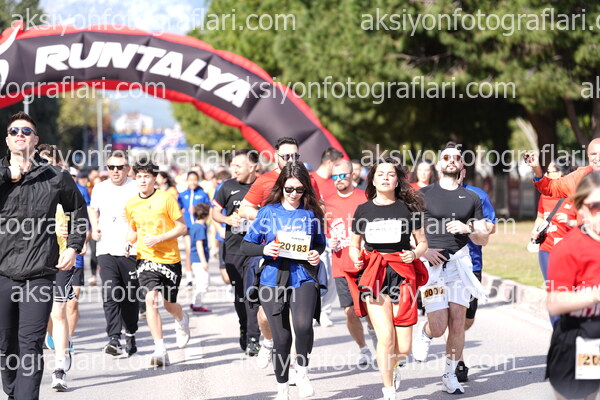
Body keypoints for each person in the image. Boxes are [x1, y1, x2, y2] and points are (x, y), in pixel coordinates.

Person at [0, 112, 88, 400]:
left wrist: (73, 246)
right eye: (14, 131)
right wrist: (6, 176)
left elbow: (78, 211)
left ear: (35, 140)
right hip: (2, 273)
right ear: (7, 140)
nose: (20, 134)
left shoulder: (55, 176)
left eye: (26, 131)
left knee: (31, 344)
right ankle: (13, 393)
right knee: (6, 345)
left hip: (39, 273)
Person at [242, 161, 326, 400]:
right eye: (289, 189)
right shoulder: (268, 212)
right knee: (282, 337)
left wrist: (316, 253)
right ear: (281, 187)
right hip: (272, 278)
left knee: (303, 326)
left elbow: (319, 243)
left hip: (303, 275)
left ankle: (302, 373)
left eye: (299, 189)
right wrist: (264, 249)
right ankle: (282, 388)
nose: (294, 194)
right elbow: (246, 245)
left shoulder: (311, 213)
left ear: (305, 189)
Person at [412, 142, 491, 395]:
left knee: (458, 321)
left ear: (461, 165)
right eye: (446, 158)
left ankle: (450, 374)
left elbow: (483, 239)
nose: (451, 161)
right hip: (432, 265)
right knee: (438, 327)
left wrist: (469, 229)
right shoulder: (423, 195)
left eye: (456, 158)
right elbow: (410, 231)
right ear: (439, 164)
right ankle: (425, 333)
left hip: (459, 263)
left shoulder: (472, 197)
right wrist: (424, 251)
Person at [346, 158, 429, 400]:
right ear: (372, 180)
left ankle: (394, 365)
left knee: (404, 347)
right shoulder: (363, 210)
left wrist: (414, 254)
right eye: (380, 174)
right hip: (374, 272)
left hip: (402, 273)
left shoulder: (408, 209)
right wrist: (356, 258)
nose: (385, 178)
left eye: (390, 174)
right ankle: (388, 390)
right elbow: (354, 245)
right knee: (385, 336)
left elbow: (422, 243)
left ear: (397, 181)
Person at [125, 160, 190, 367]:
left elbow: (182, 228)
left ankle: (181, 319)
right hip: (145, 258)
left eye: (146, 176)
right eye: (139, 176)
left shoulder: (166, 198)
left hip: (170, 259)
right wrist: (128, 242)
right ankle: (160, 349)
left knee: (169, 304)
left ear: (154, 178)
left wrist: (159, 238)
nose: (142, 180)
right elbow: (133, 230)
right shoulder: (131, 204)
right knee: (151, 299)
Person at [546, 172, 600, 400]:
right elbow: (554, 304)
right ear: (581, 209)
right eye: (596, 206)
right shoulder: (569, 248)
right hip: (580, 336)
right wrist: (595, 295)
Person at [323, 159, 376, 366]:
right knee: (350, 311)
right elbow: (323, 232)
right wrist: (328, 240)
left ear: (352, 175)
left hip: (365, 263)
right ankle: (363, 349)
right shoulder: (327, 203)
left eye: (342, 175)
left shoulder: (365, 198)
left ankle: (379, 341)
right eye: (334, 176)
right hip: (341, 265)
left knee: (371, 308)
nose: (338, 180)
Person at [38, 144, 80, 392]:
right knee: (44, 315)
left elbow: (80, 219)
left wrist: (73, 240)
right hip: (36, 260)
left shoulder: (65, 187)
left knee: (58, 311)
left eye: (49, 162)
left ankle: (59, 369)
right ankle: (58, 342)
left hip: (62, 258)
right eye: (41, 161)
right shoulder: (30, 188)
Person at [89, 151, 140, 357]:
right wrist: (94, 226)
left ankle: (131, 332)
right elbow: (92, 209)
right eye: (111, 167)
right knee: (110, 293)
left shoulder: (136, 187)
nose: (116, 171)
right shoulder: (100, 188)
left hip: (131, 250)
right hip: (106, 248)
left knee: (130, 296)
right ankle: (114, 338)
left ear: (128, 169)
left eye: (120, 167)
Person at [211, 149, 261, 356]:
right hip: (234, 248)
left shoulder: (264, 186)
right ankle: (244, 326)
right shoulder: (227, 186)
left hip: (257, 248)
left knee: (253, 292)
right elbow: (214, 212)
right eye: (233, 166)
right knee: (240, 293)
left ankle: (254, 337)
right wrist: (227, 219)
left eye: (238, 166)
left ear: (252, 166)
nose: (234, 170)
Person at [454, 168, 497, 382]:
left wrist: (468, 226)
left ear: (463, 171)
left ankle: (455, 343)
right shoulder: (432, 194)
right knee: (455, 317)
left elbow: (491, 227)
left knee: (467, 319)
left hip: (472, 263)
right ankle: (457, 362)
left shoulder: (477, 195)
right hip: (446, 263)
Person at [531, 157, 578, 327]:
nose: (547, 174)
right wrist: (535, 230)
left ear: (561, 174)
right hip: (547, 249)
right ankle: (559, 331)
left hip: (571, 251)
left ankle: (572, 326)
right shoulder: (545, 194)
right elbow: (540, 217)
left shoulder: (577, 195)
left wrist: (570, 222)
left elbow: (587, 223)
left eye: (550, 172)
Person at [525, 138, 600, 198]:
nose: (597, 158)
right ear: (588, 155)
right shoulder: (580, 176)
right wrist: (537, 169)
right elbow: (550, 187)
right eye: (593, 154)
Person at [178, 171, 210, 288]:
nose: (192, 182)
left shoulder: (202, 194)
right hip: (187, 227)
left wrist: (196, 210)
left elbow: (208, 208)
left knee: (200, 249)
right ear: (187, 181)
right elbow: (178, 208)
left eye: (195, 179)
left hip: (199, 227)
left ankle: (199, 274)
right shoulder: (182, 195)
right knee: (189, 250)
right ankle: (189, 277)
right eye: (190, 180)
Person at [189, 203, 211, 312]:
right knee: (204, 282)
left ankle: (196, 303)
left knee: (200, 282)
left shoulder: (194, 226)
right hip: (199, 260)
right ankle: (196, 304)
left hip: (195, 259)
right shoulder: (200, 228)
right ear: (206, 214)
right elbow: (199, 245)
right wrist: (203, 261)